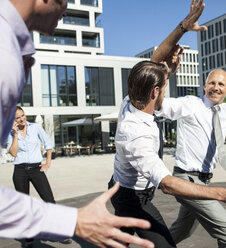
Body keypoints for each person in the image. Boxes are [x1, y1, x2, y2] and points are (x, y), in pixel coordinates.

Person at [0, 0, 154, 247]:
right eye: (65, 1)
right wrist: (72, 221)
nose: (67, 11)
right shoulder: (5, 53)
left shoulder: (14, 48)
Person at [110, 3, 226, 248]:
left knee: (134, 237)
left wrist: (183, 26)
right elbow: (168, 184)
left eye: (221, 85)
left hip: (137, 189)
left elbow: (157, 60)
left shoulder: (131, 98)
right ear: (155, 92)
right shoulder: (135, 133)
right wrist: (224, 194)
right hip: (132, 195)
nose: (215, 87)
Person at [7, 106, 71, 246]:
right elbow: (13, 153)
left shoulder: (35, 127)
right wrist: (15, 134)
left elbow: (48, 145)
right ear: (13, 120)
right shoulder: (11, 133)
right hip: (20, 171)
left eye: (22, 115)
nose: (22, 119)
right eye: (18, 118)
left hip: (36, 169)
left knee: (49, 200)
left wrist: (47, 163)